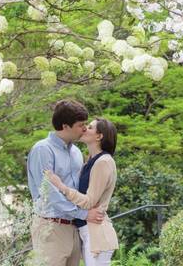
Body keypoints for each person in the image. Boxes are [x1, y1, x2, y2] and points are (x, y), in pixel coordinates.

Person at [27, 99, 106, 266]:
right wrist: (84, 214)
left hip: (74, 228)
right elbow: (50, 194)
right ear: (65, 126)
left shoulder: (76, 152)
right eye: (80, 125)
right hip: (51, 227)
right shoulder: (43, 150)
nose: (84, 128)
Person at [45, 118, 119, 266]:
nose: (85, 128)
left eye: (90, 127)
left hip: (97, 234)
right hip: (88, 231)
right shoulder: (90, 161)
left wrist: (61, 186)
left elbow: (89, 201)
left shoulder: (103, 162)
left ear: (99, 136)